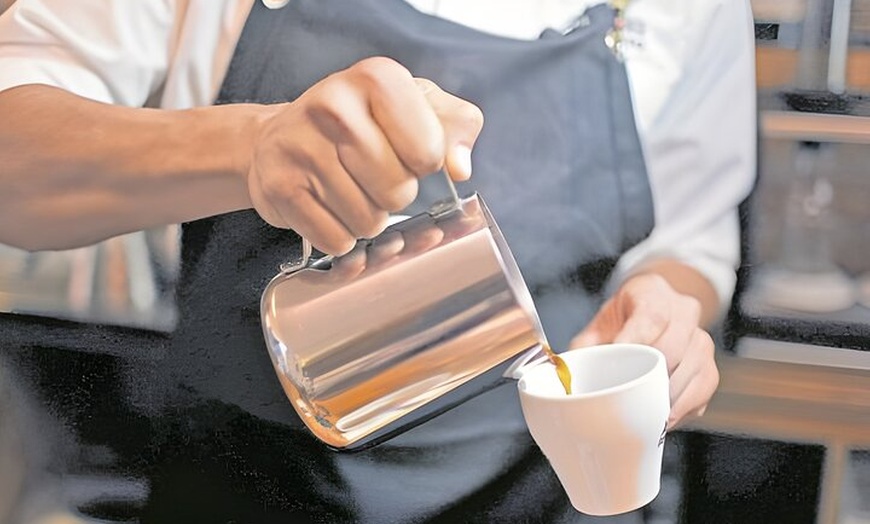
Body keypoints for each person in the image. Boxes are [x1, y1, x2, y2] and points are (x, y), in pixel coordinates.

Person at [0, 0, 757, 521]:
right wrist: (247, 147)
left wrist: (666, 305)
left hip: (545, 494)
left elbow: (690, 239)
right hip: (243, 488)